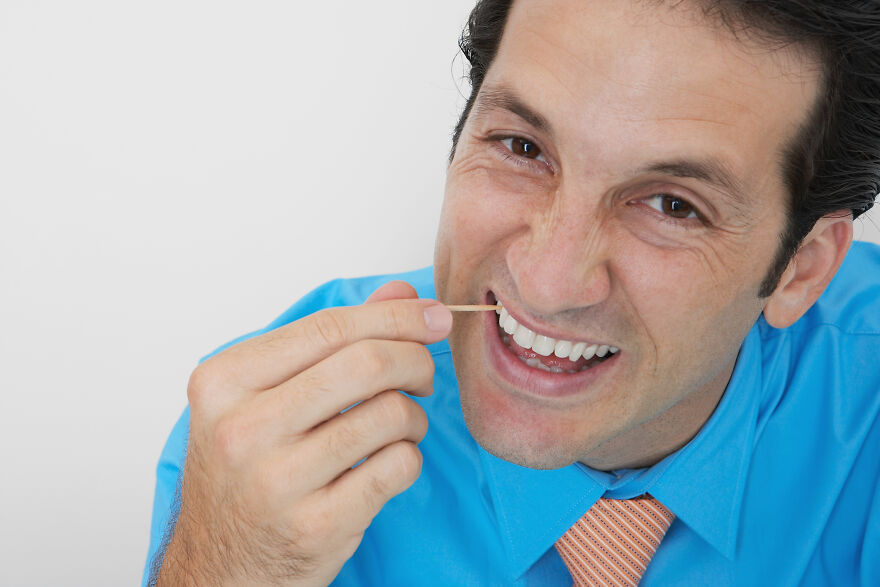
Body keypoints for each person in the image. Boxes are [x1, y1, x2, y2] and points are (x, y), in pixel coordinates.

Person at [144, 0, 880, 585]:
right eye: (522, 148)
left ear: (801, 270)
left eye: (672, 206)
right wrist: (222, 568)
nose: (547, 282)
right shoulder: (275, 433)